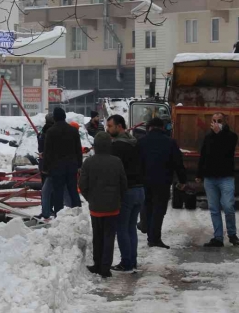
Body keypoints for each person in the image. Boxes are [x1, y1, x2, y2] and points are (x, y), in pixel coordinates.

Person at [79, 132, 127, 278]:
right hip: (113, 208)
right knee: (109, 237)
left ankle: (97, 264)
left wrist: (90, 199)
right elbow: (123, 184)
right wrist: (118, 199)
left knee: (97, 236)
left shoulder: (88, 162)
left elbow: (82, 185)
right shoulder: (117, 161)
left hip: (96, 208)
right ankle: (105, 267)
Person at [138, 116, 187, 249]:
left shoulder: (141, 142)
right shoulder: (170, 142)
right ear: (163, 128)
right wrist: (182, 180)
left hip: (144, 180)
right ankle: (154, 238)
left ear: (149, 128)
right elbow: (178, 163)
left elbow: (136, 162)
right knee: (159, 209)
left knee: (147, 205)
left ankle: (146, 227)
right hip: (163, 181)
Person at [106, 114, 144, 273]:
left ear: (119, 126)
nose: (108, 129)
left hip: (127, 192)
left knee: (122, 228)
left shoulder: (117, 147)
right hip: (140, 190)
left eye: (110, 126)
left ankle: (126, 263)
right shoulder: (134, 143)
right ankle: (132, 260)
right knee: (130, 228)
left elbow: (113, 171)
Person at [196, 112, 239, 247]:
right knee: (214, 208)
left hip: (225, 177)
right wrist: (199, 173)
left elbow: (228, 149)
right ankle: (218, 237)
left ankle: (232, 234)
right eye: (214, 120)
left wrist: (219, 133)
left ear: (225, 122)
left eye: (219, 120)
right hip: (210, 178)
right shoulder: (208, 137)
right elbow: (203, 156)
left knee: (228, 205)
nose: (216, 123)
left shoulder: (231, 136)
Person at [44, 107, 83, 214]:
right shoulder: (73, 130)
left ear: (55, 118)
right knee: (73, 191)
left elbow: (47, 152)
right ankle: (78, 213)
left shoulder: (51, 132)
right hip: (71, 167)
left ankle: (58, 215)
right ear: (64, 117)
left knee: (58, 193)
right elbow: (78, 149)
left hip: (56, 168)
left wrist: (46, 168)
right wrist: (79, 165)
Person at [37, 114, 55, 219]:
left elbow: (40, 148)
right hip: (52, 164)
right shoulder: (53, 132)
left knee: (45, 188)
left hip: (43, 164)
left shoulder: (41, 133)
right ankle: (50, 210)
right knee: (52, 189)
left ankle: (46, 210)